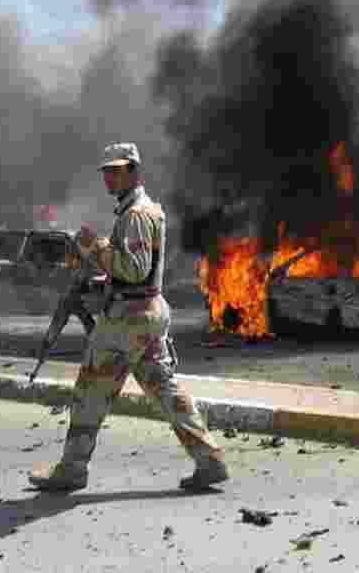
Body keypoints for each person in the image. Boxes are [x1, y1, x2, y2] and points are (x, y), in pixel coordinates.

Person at [28, 143, 228, 492]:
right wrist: (106, 279)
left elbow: (135, 269)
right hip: (146, 316)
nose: (109, 177)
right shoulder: (145, 211)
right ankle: (210, 460)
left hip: (125, 322)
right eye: (106, 171)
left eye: (116, 170)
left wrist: (97, 247)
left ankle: (72, 470)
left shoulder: (136, 214)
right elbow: (140, 272)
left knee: (89, 392)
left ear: (134, 171)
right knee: (166, 389)